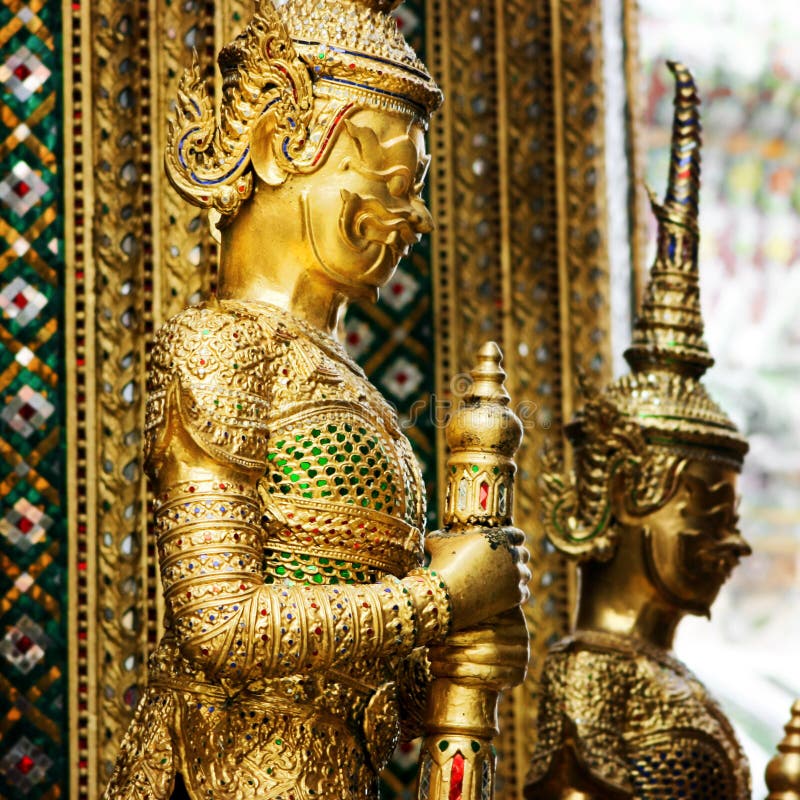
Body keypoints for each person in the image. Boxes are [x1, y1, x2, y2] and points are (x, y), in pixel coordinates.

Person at [104, 1, 530, 797]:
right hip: (222, 773)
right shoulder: (220, 344)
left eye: (420, 186)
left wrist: (453, 659)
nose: (416, 214)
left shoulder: (358, 395)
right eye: (390, 180)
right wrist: (440, 599)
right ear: (277, 146)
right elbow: (219, 626)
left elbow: (362, 681)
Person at [525, 62, 751, 800]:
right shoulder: (591, 674)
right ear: (626, 492)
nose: (735, 544)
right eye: (712, 513)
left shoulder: (662, 676)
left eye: (735, 518)